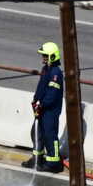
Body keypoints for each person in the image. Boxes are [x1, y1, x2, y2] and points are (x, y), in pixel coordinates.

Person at [31, 40, 66, 173]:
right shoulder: (46, 69)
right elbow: (41, 88)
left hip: (50, 111)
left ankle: (54, 163)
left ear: (52, 56)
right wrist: (35, 101)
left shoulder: (56, 73)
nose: (43, 58)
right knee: (36, 133)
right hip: (41, 108)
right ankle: (37, 159)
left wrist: (42, 104)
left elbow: (52, 94)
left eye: (45, 55)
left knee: (50, 136)